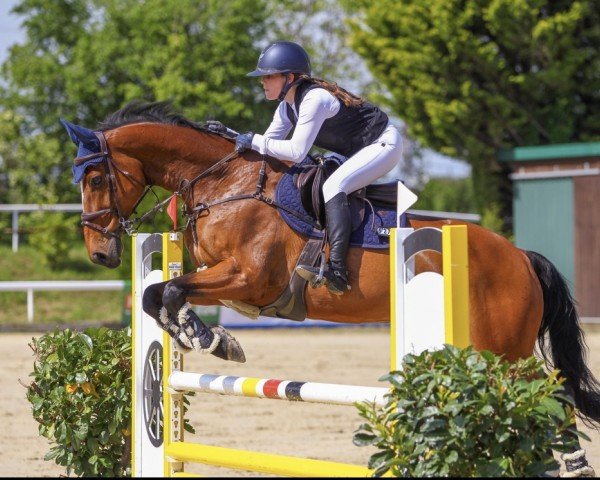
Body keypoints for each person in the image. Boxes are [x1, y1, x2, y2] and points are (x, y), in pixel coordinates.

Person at [232, 41, 403, 295]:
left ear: (289, 77)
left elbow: (295, 151)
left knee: (334, 186)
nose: (263, 82)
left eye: (268, 76)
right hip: (358, 152)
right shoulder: (286, 108)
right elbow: (267, 148)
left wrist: (253, 139)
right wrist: (229, 137)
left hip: (384, 145)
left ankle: (337, 271)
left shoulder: (314, 99)